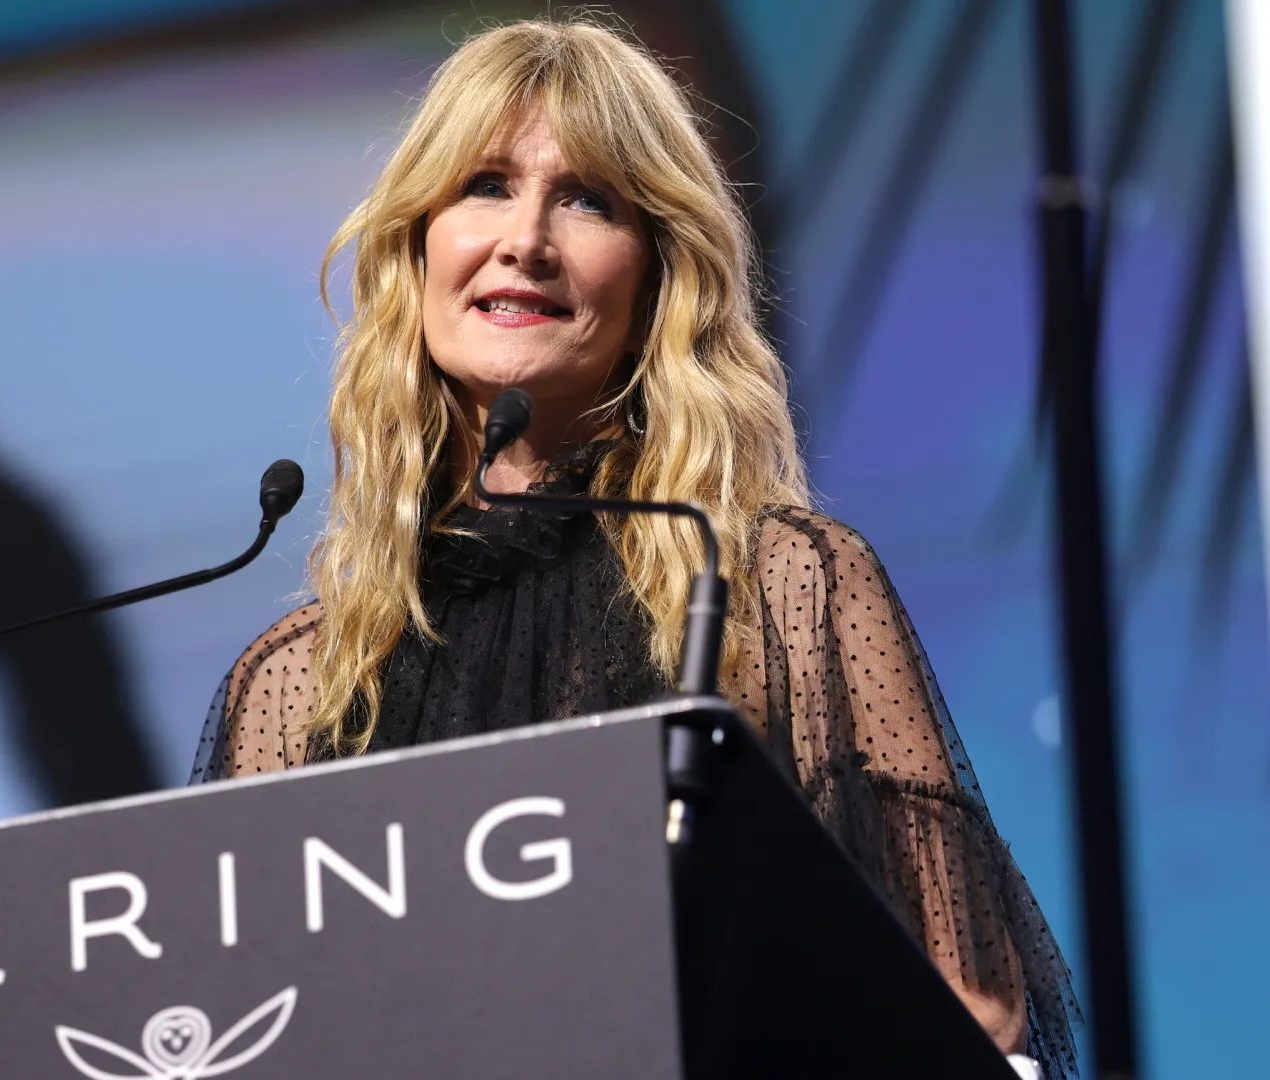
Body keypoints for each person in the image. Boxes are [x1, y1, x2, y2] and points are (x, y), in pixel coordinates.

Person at [192, 17, 1077, 1077]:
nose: (525, 238)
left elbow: (974, 1015)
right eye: (482, 186)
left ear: (659, 276)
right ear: (417, 246)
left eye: (586, 199)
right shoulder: (295, 684)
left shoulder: (777, 589)